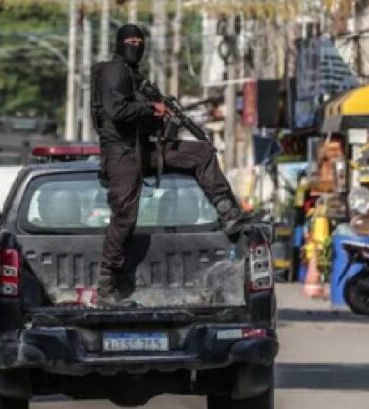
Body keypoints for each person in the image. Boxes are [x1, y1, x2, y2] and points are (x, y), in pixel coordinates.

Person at [91, 23, 260, 305]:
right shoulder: (113, 70)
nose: (135, 45)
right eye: (130, 41)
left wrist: (161, 115)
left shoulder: (133, 76)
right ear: (119, 44)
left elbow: (137, 112)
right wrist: (151, 108)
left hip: (144, 149)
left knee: (201, 153)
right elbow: (116, 110)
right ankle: (107, 285)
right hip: (121, 153)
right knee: (125, 215)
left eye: (139, 40)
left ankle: (228, 213)